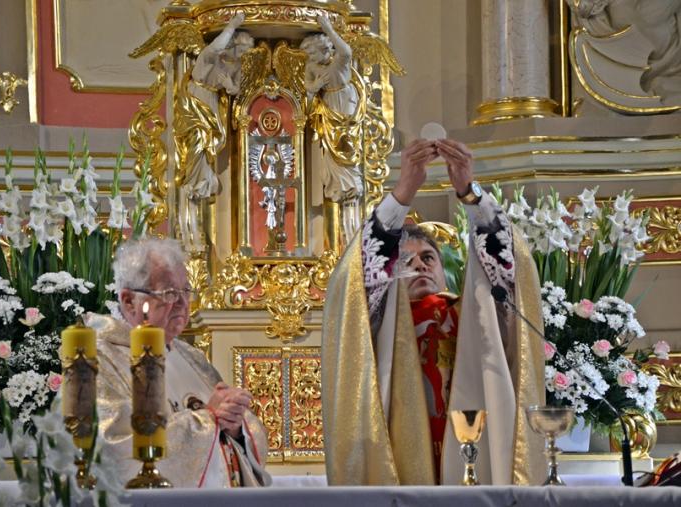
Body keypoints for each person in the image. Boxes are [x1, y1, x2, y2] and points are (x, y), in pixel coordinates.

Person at [321, 138, 545, 485]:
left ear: (443, 269)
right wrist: (403, 193)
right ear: (390, 273)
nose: (420, 266)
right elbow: (355, 277)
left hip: (475, 446)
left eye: (428, 258)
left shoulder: (477, 314)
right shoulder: (379, 318)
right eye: (406, 261)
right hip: (401, 449)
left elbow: (509, 267)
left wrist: (470, 193)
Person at [88, 237, 270, 487]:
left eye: (186, 291)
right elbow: (112, 448)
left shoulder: (191, 357)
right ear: (129, 301)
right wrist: (207, 420)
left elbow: (239, 434)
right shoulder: (98, 360)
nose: (183, 304)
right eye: (169, 293)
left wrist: (236, 427)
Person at [174, 13, 254, 250]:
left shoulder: (235, 65)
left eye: (246, 52)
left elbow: (236, 89)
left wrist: (230, 86)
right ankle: (192, 194)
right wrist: (232, 25)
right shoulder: (209, 58)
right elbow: (216, 47)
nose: (242, 55)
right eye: (241, 49)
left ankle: (198, 192)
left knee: (208, 150)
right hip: (197, 102)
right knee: (196, 149)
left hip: (212, 106)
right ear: (232, 43)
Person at [303, 15, 365, 243]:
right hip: (328, 113)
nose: (310, 59)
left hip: (344, 111)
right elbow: (308, 88)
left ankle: (350, 201)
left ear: (325, 49)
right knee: (331, 162)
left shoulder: (339, 62)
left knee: (347, 158)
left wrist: (328, 28)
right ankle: (341, 197)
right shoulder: (312, 66)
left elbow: (346, 51)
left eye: (313, 53)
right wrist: (314, 86)